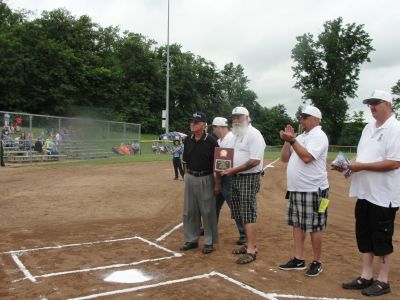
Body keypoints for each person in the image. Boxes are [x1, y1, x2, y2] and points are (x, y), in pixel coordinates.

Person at [338, 90, 400, 297]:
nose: (371, 107)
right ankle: (366, 275)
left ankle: (383, 280)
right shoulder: (368, 128)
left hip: (384, 195)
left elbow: (394, 162)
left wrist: (360, 166)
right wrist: (347, 166)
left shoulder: (396, 128)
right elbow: (361, 156)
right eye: (369, 103)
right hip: (364, 192)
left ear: (388, 104)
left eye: (376, 103)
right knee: (364, 235)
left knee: (381, 237)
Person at [278, 105, 329, 277]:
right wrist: (288, 140)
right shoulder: (302, 136)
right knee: (298, 225)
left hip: (315, 190)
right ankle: (299, 259)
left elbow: (307, 158)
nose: (301, 119)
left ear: (315, 119)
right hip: (296, 189)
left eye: (305, 117)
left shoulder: (319, 135)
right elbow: (284, 159)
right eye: (300, 116)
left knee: (315, 226)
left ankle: (317, 261)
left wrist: (293, 140)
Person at [221, 107, 266, 264]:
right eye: (233, 117)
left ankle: (252, 250)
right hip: (236, 177)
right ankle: (248, 244)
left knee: (248, 213)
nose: (235, 120)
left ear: (247, 117)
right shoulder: (236, 135)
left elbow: (255, 160)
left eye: (238, 117)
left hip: (248, 177)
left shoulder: (254, 134)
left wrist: (233, 169)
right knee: (240, 213)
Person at [180, 112, 220, 254]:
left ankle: (209, 242)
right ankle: (192, 240)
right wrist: (186, 175)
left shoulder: (211, 141)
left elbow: (218, 165)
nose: (192, 124)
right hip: (191, 177)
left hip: (206, 178)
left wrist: (217, 183)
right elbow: (185, 160)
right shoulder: (187, 140)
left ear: (203, 125)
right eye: (191, 122)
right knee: (189, 211)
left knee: (207, 211)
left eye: (196, 122)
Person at [212, 117, 246, 245]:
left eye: (214, 127)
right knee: (214, 205)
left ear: (220, 127)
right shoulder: (219, 140)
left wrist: (218, 182)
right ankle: (211, 228)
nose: (213, 129)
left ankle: (244, 234)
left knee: (235, 206)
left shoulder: (231, 139)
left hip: (229, 177)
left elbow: (223, 163)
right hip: (221, 176)